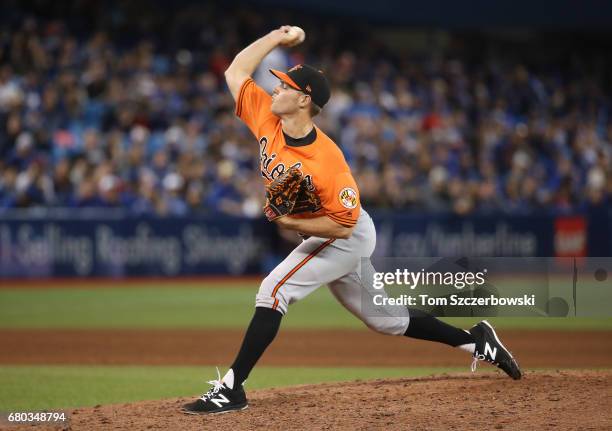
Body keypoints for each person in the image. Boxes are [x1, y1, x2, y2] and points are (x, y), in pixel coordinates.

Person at [182, 26, 522, 415]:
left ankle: (232, 388)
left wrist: (295, 223)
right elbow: (234, 72)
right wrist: (277, 36)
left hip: (346, 234)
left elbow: (342, 226)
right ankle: (477, 341)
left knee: (274, 289)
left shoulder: (328, 162)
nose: (275, 90)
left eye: (284, 86)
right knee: (386, 319)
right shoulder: (266, 117)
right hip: (330, 233)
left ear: (304, 101)